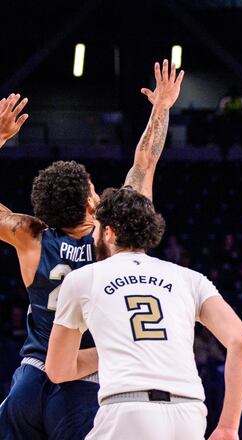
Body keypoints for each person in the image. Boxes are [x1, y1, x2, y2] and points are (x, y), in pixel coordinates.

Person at [0, 60, 183, 439]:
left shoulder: (30, 236)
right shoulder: (113, 236)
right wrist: (161, 107)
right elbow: (144, 164)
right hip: (84, 380)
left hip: (30, 381)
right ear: (89, 204)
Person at [45, 187, 242, 440]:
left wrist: (121, 348)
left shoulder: (82, 279)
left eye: (97, 229)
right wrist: (229, 427)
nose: (92, 237)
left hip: (127, 410)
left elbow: (58, 369)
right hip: (189, 413)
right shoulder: (190, 278)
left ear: (109, 233)